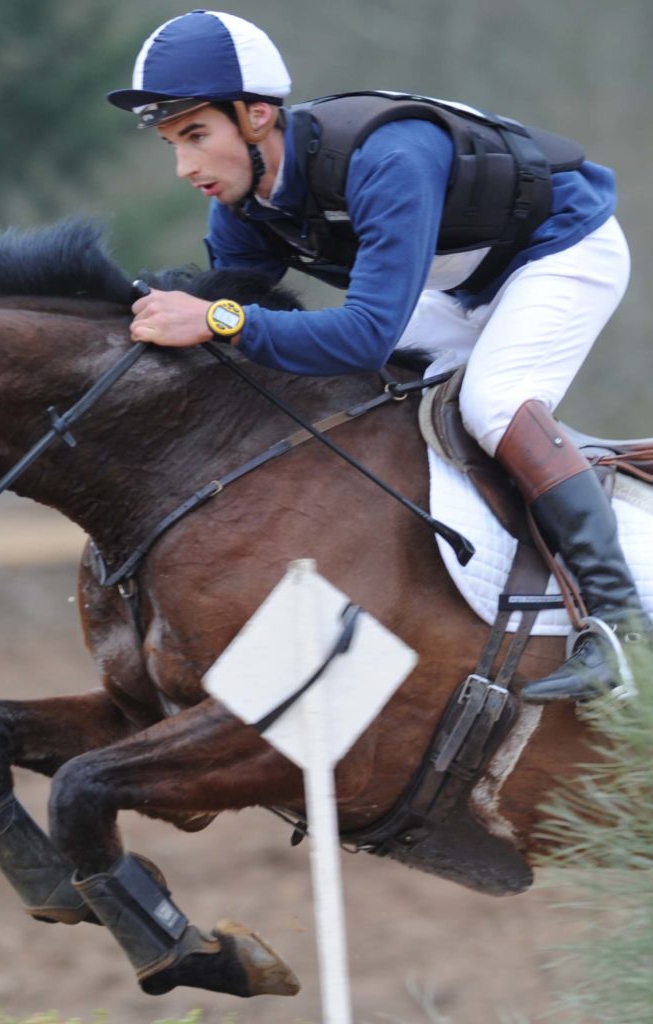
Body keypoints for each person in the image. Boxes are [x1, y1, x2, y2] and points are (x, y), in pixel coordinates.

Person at [107, 9, 651, 705]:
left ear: (254, 116)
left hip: (562, 249)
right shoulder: (239, 208)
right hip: (459, 283)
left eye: (194, 135)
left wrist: (214, 316)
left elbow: (352, 331)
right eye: (169, 143)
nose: (184, 167)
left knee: (493, 401)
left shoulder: (386, 157)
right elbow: (247, 339)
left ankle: (620, 629)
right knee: (356, 390)